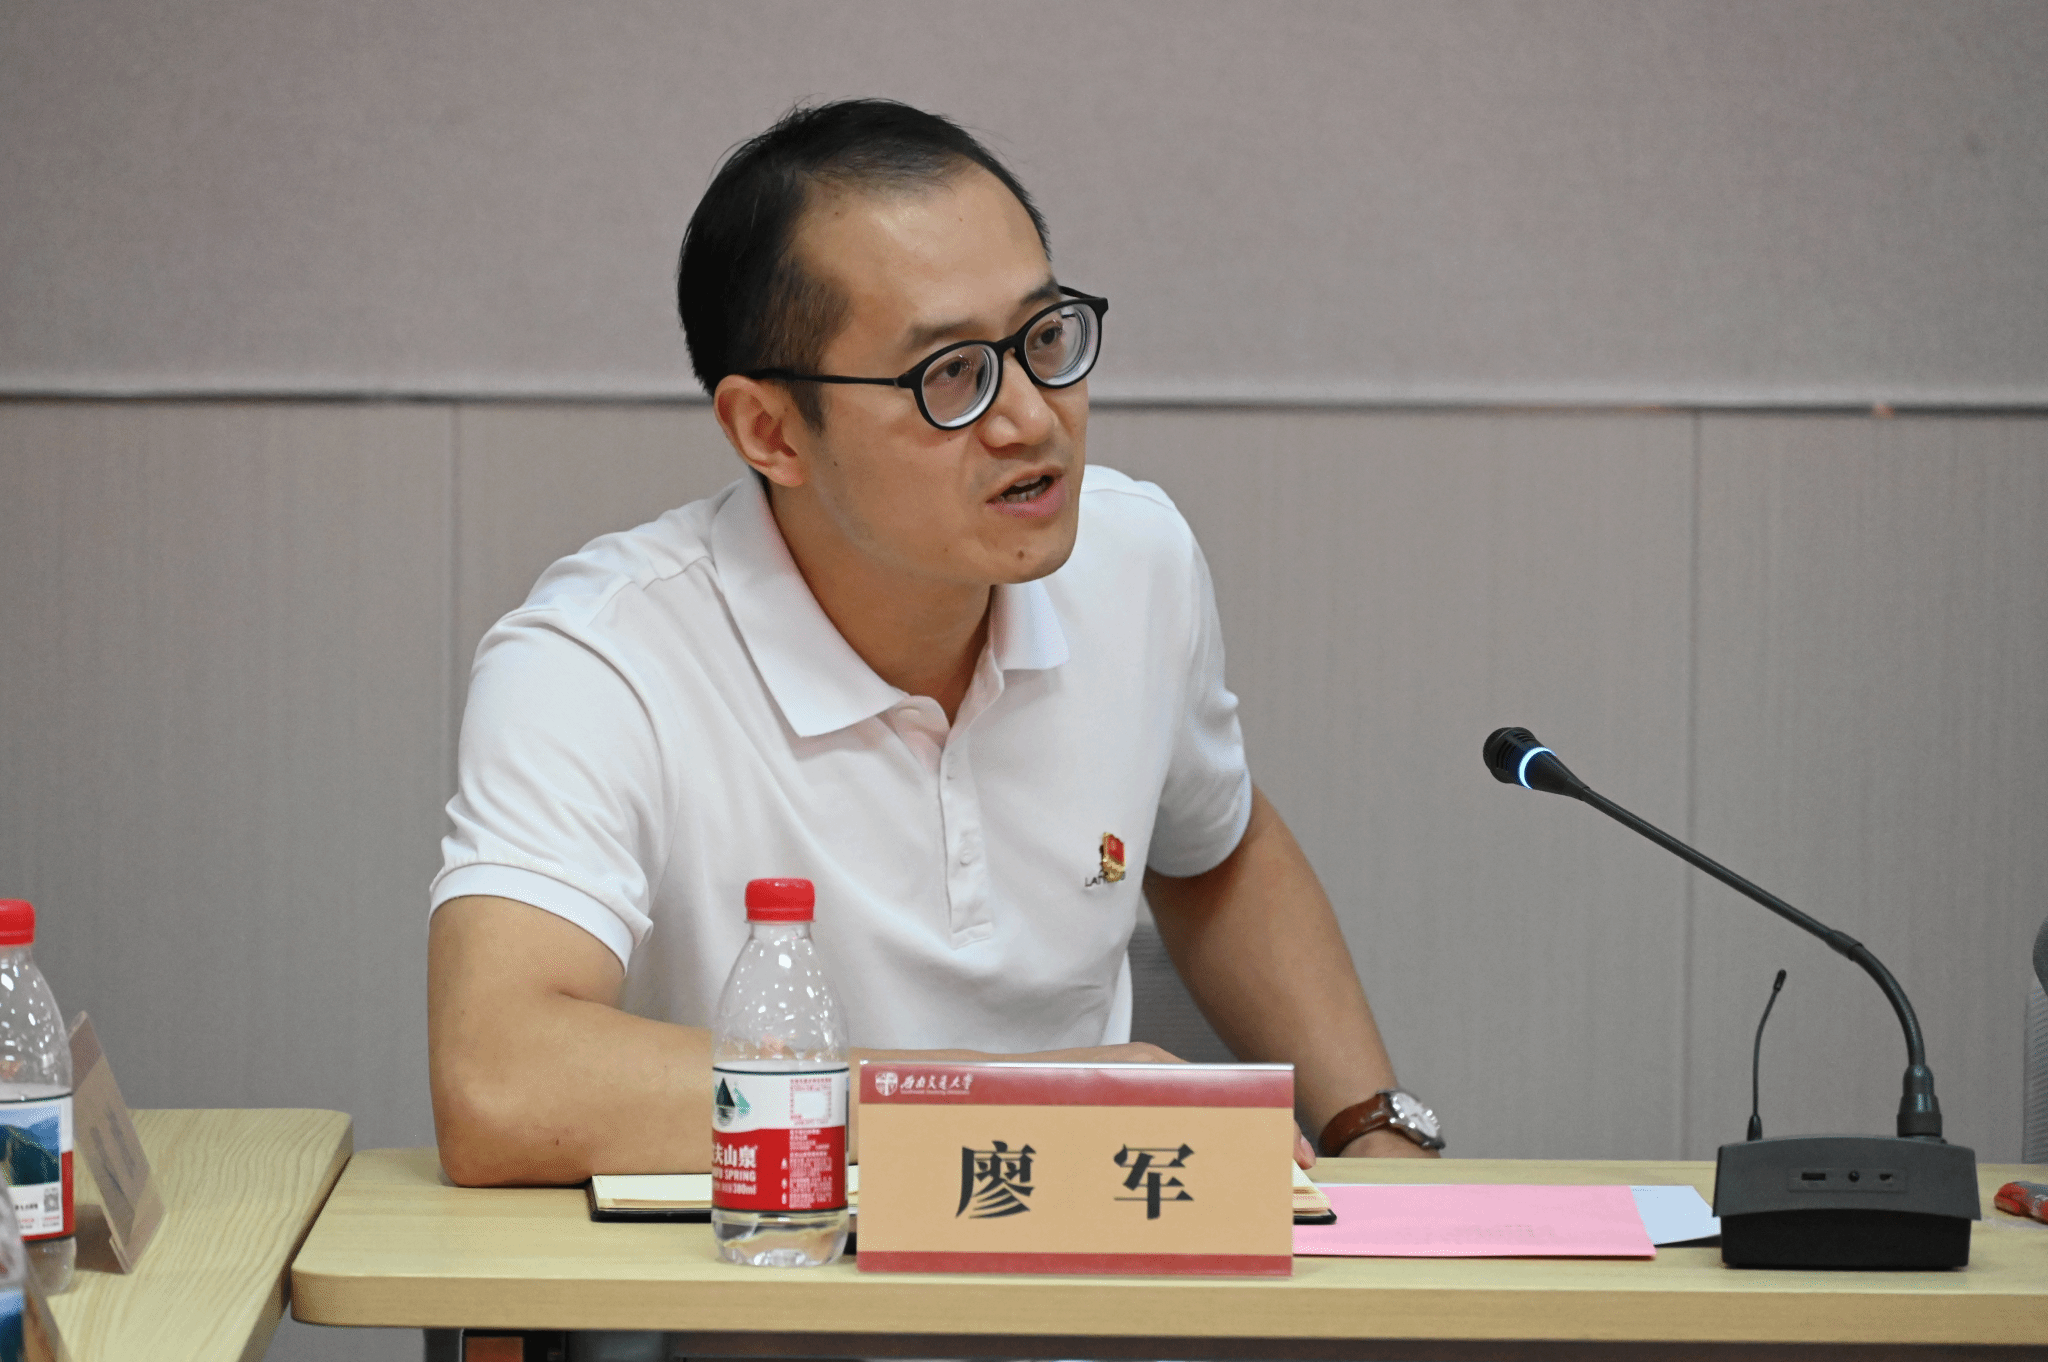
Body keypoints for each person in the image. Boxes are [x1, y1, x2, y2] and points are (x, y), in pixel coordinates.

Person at [427, 99, 1439, 1187]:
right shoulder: (598, 661)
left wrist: (1369, 1121)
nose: (1032, 420)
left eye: (1044, 340)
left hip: (1075, 1262)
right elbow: (502, 1080)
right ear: (770, 431)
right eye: (950, 374)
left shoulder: (1133, 563)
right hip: (762, 1265)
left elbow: (1217, 850)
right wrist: (1022, 1104)